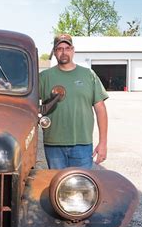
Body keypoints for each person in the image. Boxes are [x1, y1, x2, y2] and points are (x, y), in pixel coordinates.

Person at [39, 34, 109, 169]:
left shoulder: (88, 75)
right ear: (54, 52)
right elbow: (27, 101)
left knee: (82, 188)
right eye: (59, 49)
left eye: (67, 48)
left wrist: (103, 143)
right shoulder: (44, 78)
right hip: (53, 145)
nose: (64, 52)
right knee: (57, 186)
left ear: (73, 50)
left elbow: (101, 109)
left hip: (82, 145)